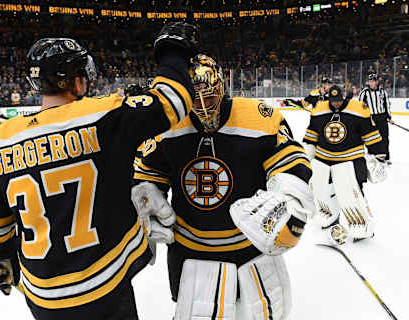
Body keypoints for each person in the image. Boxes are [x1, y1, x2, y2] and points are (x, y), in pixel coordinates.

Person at [0, 22, 198, 320]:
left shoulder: (0, 140)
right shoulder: (102, 114)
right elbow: (174, 100)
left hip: (45, 300)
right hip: (105, 288)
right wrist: (173, 51)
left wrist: (3, 261)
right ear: (75, 80)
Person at [131, 55, 314, 320]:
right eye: (195, 99)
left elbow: (289, 161)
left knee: (252, 313)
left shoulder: (260, 117)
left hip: (249, 244)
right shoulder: (165, 127)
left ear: (222, 87)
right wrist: (145, 201)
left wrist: (289, 195)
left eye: (209, 96)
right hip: (191, 248)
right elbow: (148, 177)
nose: (204, 107)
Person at [303, 85, 387, 244]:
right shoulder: (319, 110)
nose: (336, 104)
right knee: (323, 191)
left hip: (351, 159)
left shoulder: (358, 109)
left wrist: (379, 154)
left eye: (339, 101)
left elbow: (370, 133)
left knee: (355, 193)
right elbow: (312, 134)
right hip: (323, 160)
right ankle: (330, 216)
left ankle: (363, 225)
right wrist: (306, 156)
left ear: (344, 98)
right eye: (333, 101)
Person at [358, 72, 393, 162]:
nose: (371, 83)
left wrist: (389, 117)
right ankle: (373, 154)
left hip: (382, 117)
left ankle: (386, 156)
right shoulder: (364, 93)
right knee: (372, 137)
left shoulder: (383, 92)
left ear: (377, 82)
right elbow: (360, 106)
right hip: (371, 118)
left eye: (373, 81)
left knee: (384, 137)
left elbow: (386, 105)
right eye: (370, 81)